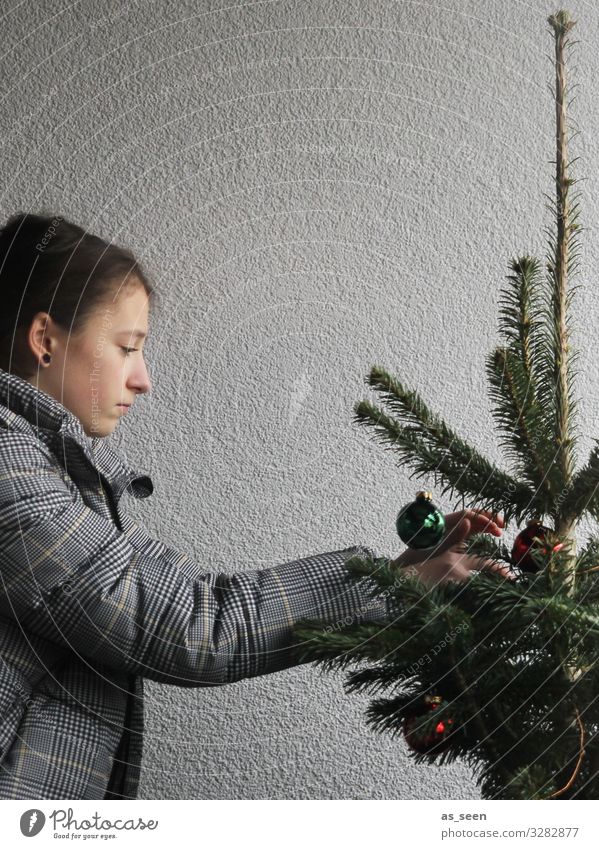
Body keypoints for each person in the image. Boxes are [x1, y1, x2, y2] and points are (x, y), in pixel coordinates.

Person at [0, 212, 510, 800]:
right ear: (44, 339)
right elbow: (190, 626)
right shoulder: (9, 464)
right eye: (126, 348)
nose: (143, 378)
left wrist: (396, 578)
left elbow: (171, 607)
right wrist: (400, 588)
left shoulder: (46, 465)